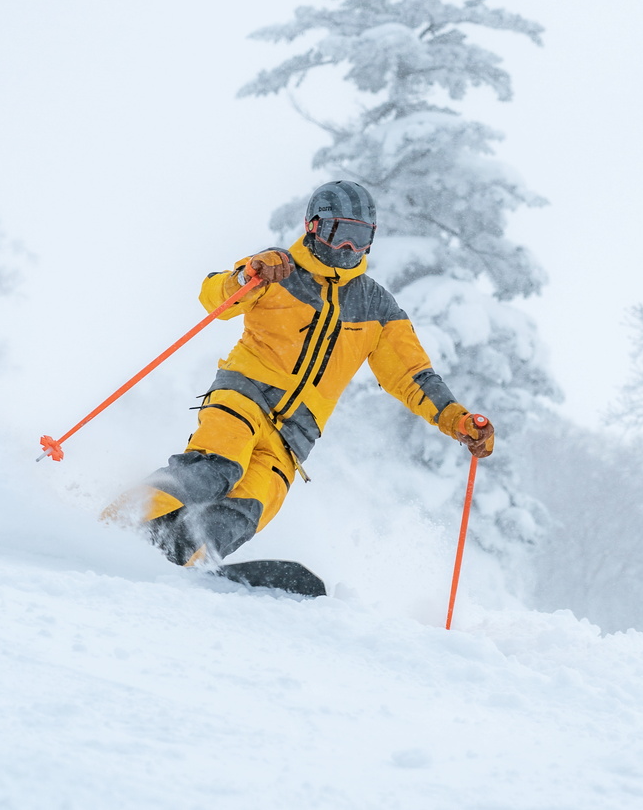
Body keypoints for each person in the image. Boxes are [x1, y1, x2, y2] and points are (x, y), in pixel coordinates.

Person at [117, 180, 494, 567]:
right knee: (215, 469)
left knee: (247, 509)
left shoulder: (377, 306)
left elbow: (413, 375)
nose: (349, 249)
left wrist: (457, 420)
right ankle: (118, 524)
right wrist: (249, 274)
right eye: (340, 234)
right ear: (314, 227)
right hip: (244, 398)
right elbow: (216, 297)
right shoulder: (279, 270)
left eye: (361, 238)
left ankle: (182, 558)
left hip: (294, 435)